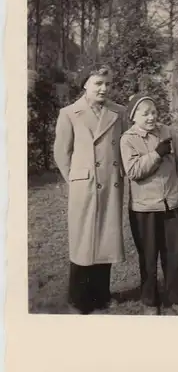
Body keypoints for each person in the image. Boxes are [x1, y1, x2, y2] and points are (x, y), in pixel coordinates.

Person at [120, 93, 178, 316]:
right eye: (145, 113)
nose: (151, 117)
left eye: (154, 112)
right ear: (133, 116)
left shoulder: (169, 133)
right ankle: (150, 301)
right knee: (148, 256)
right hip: (144, 208)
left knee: (176, 253)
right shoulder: (128, 139)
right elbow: (133, 171)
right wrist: (156, 154)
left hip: (170, 205)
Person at [53, 64, 128, 314]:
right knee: (83, 240)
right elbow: (61, 153)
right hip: (83, 186)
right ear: (85, 84)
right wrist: (76, 179)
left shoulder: (119, 113)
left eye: (107, 84)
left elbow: (126, 148)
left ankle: (101, 295)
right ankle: (78, 298)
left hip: (110, 184)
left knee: (106, 239)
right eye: (98, 83)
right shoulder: (70, 113)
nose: (103, 88)